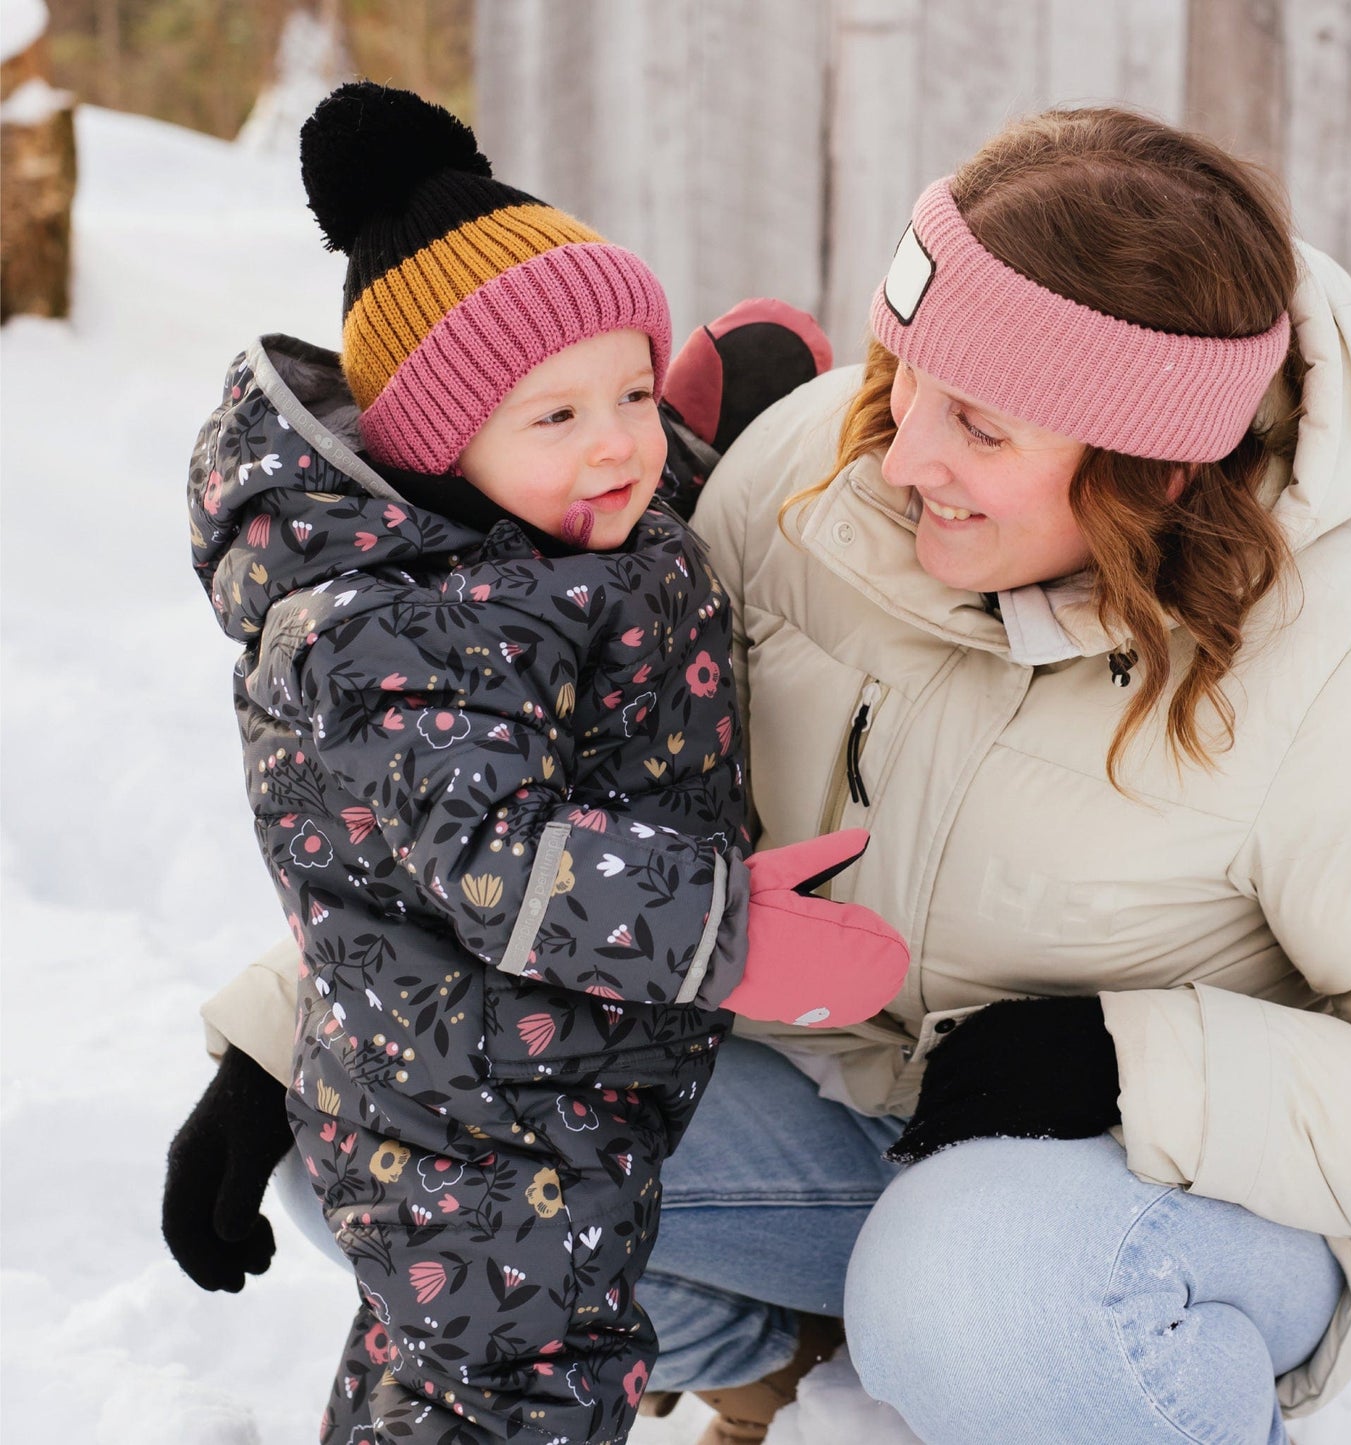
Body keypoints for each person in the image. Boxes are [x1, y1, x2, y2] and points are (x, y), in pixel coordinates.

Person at [171, 102, 1351, 1445]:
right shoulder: (817, 471)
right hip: (839, 1121)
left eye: (981, 429)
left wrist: (1137, 1066)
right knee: (385, 1142)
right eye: (904, 381)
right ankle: (796, 1379)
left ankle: (1044, 1381)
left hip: (1145, 1211)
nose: (901, 456)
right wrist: (286, 1039)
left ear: (1148, 461)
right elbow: (564, 803)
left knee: (982, 1288)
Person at [175, 81, 907, 1445]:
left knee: (433, 1367)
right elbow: (503, 859)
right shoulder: (408, 632)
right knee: (520, 1394)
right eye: (556, 416)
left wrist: (709, 435)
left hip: (533, 1067)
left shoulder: (536, 538)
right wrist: (732, 933)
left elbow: (613, 544)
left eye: (630, 390)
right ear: (436, 443)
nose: (619, 442)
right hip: (485, 1116)